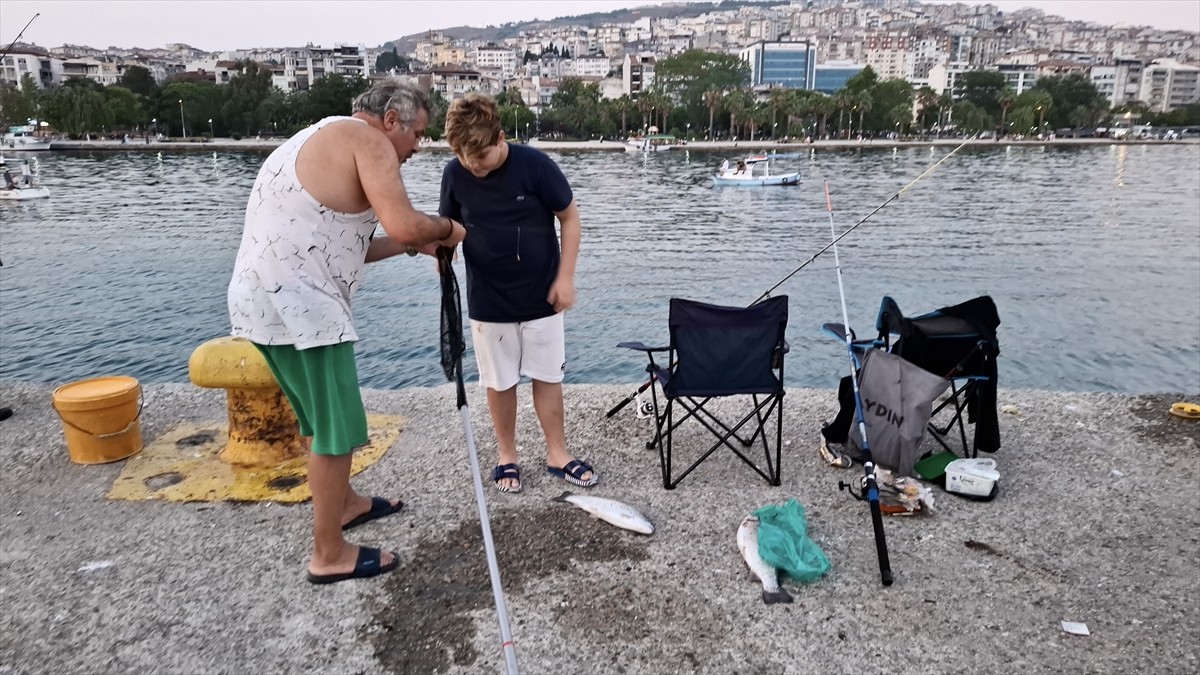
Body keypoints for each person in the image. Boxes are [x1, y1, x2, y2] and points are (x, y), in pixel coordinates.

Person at [227, 79, 466, 585]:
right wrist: (446, 231)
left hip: (262, 300)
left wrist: (410, 247)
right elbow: (403, 223)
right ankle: (328, 553)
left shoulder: (318, 136)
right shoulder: (369, 140)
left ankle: (346, 505)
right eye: (418, 134)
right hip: (304, 304)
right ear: (392, 120)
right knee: (337, 431)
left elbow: (357, 242)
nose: (418, 148)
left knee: (317, 422)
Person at [439, 93, 593, 494]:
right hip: (488, 300)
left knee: (547, 376)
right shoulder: (455, 173)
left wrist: (566, 278)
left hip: (543, 294)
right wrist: (441, 257)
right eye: (466, 158)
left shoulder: (536, 165)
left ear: (501, 137)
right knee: (500, 380)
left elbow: (570, 218)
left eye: (483, 157)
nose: (475, 166)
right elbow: (448, 229)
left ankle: (557, 453)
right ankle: (508, 455)